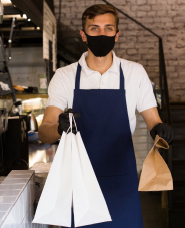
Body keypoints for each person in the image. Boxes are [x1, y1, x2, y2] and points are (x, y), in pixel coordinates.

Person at [38, 4, 174, 228]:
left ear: (117, 35)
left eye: (108, 29)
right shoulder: (64, 76)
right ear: (84, 35)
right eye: (94, 29)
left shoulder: (135, 72)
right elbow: (45, 131)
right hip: (78, 181)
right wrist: (59, 129)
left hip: (122, 180)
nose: (102, 34)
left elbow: (154, 121)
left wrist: (160, 130)